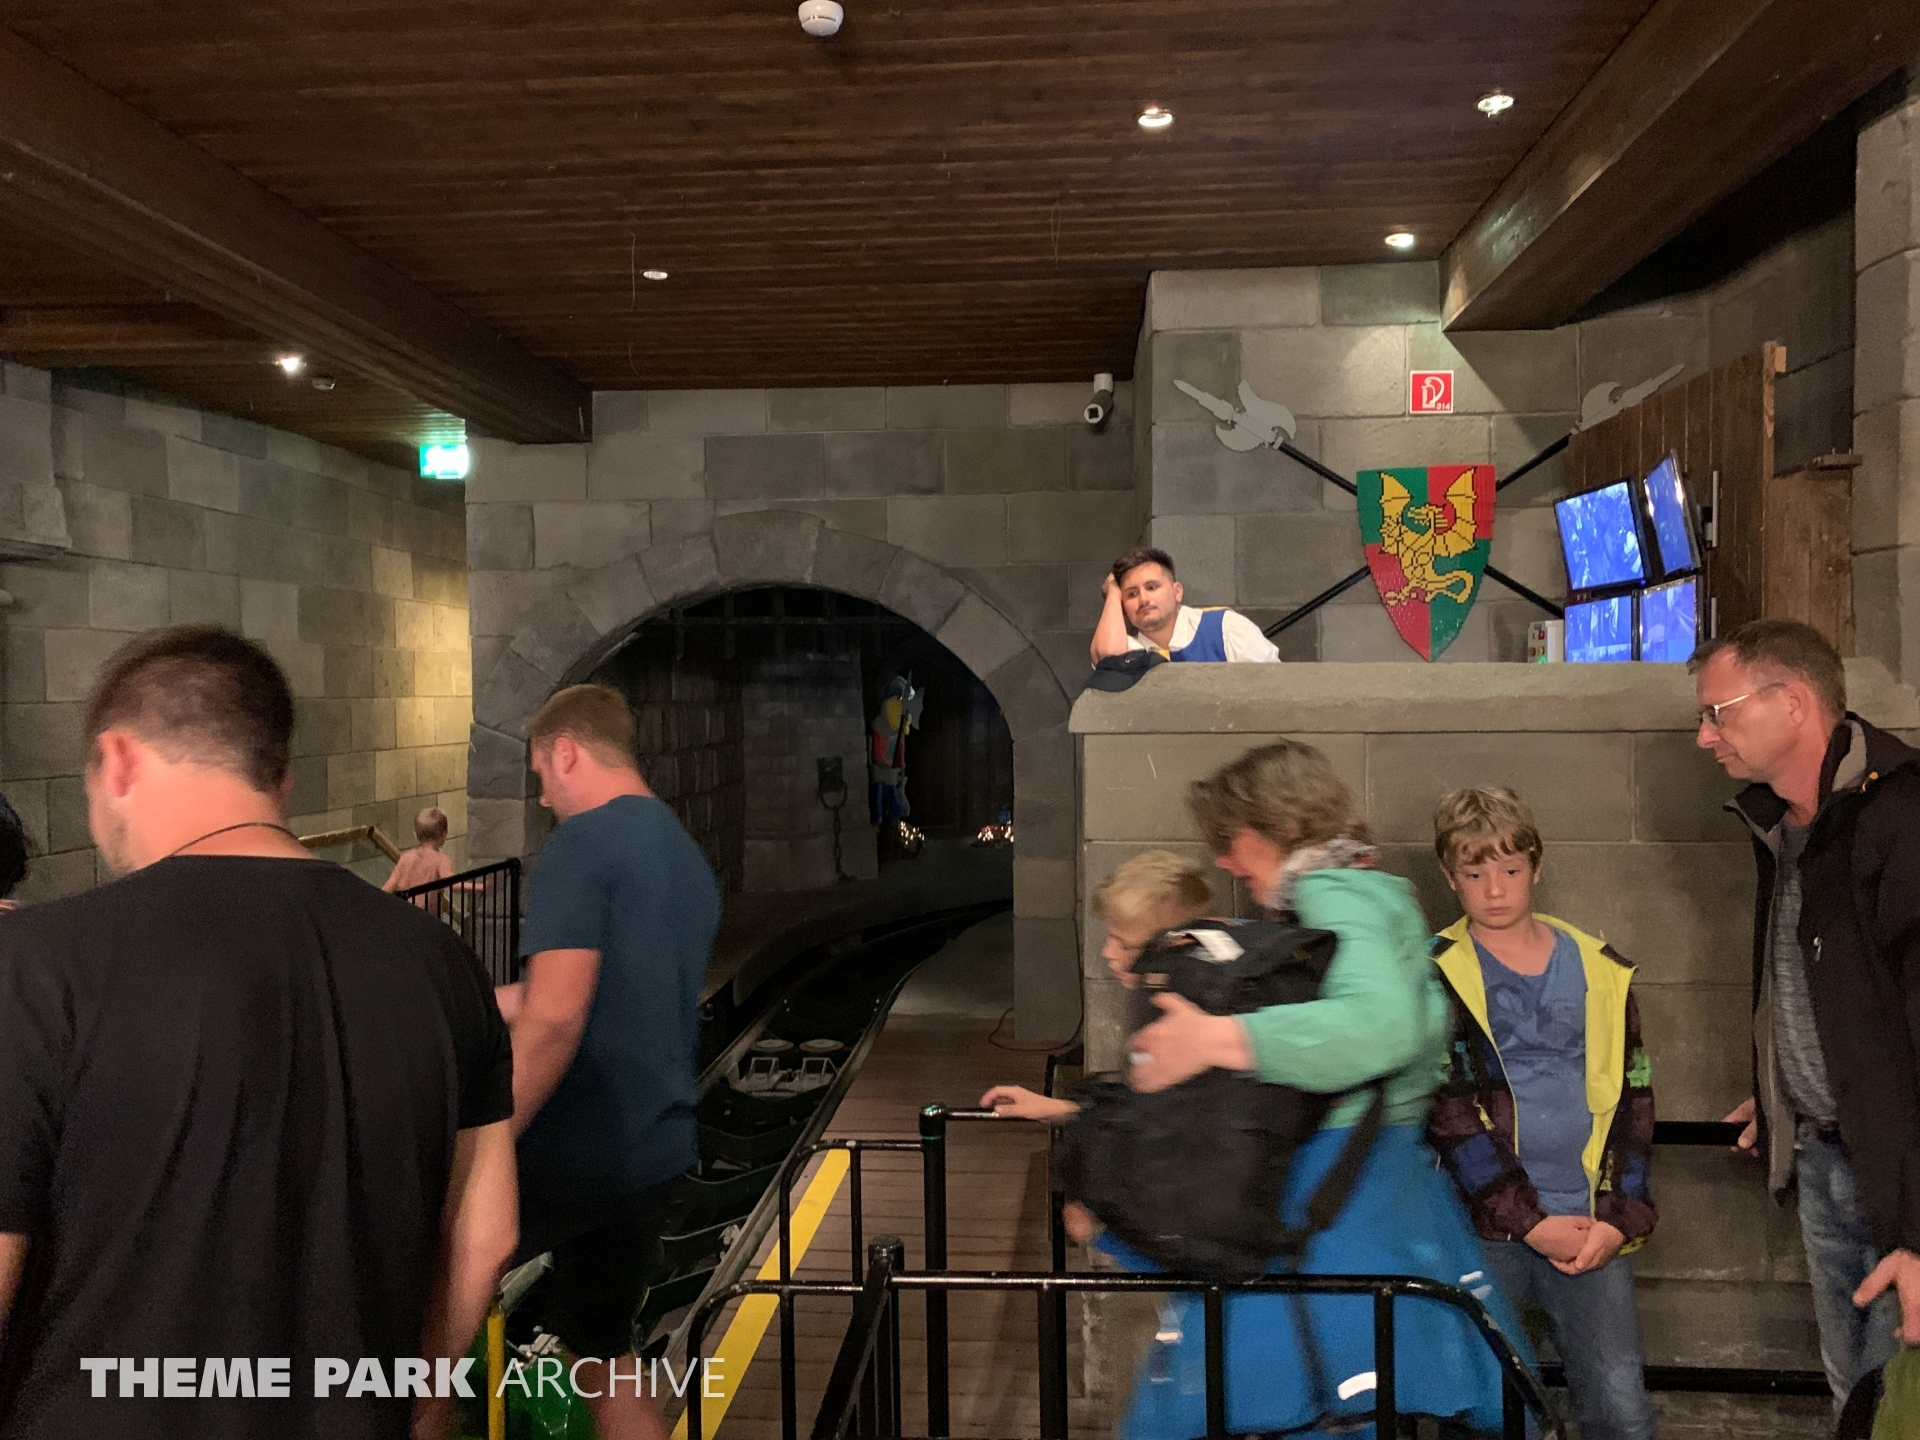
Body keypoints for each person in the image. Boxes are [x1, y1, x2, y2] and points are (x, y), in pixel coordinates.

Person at [0, 626, 516, 1440]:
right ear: (279, 780)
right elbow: (487, 1235)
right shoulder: (439, 959)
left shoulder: (32, 964)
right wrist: (420, 1405)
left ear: (120, 760)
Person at [1117, 741, 1528, 1437]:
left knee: (1299, 1391)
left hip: (1341, 1198)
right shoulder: (1362, 890)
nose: (1224, 861)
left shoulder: (1334, 894)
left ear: (1266, 829)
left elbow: (1382, 1025)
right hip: (1380, 1191)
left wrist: (1220, 1040)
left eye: (1228, 840)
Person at [1693, 619, 1920, 1409]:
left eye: (1718, 713)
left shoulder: (1899, 817)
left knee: (1896, 1406)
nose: (1704, 736)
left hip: (1898, 1177)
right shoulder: (1782, 824)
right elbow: (1829, 991)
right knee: (1852, 1395)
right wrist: (1781, 1084)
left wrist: (1917, 1235)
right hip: (1825, 1155)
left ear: (1791, 703)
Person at [497, 684, 720, 1440]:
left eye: (541, 776)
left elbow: (556, 1018)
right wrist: (471, 1000)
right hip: (655, 1148)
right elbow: (612, 990)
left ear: (566, 751)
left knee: (424, 1321)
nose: (543, 796)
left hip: (576, 1147)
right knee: (603, 1355)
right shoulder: (681, 852)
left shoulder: (583, 843)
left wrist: (492, 1141)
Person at [1425, 786, 1657, 1440]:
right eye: (1475, 874)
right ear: (1450, 877)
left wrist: (1618, 1218)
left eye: (1510, 869)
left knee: (1620, 1408)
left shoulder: (1598, 965)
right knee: (1488, 1411)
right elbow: (1448, 1113)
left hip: (1587, 1223)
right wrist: (1529, 1222)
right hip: (1482, 1228)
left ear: (1537, 866)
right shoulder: (1434, 972)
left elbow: (1634, 1098)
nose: (1495, 889)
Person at [983, 849, 1212, 1123]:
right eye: (1110, 937)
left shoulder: (1188, 1015)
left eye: (1125, 945)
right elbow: (1145, 1110)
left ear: (1177, 945)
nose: (1107, 952)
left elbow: (1158, 1126)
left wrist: (1066, 1113)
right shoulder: (1161, 994)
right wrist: (1056, 1109)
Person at [1089, 546, 1280, 665]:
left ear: (1177, 591)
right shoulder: (1127, 647)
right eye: (1132, 594)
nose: (1143, 599)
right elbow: (1109, 659)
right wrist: (1113, 592)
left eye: (1152, 587)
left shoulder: (1224, 626)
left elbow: (1272, 687)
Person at [384, 806, 456, 897]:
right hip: (427, 907)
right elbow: (455, 886)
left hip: (405, 905)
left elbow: (388, 887)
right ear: (445, 834)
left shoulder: (406, 857)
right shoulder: (441, 860)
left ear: (415, 834)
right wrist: (474, 886)